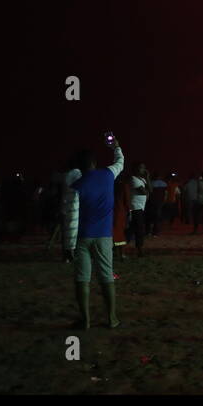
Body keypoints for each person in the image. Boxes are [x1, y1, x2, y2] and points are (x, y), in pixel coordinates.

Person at [68, 136, 126, 329]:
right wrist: (116, 146)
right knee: (107, 277)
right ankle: (112, 318)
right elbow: (120, 162)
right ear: (94, 162)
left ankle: (85, 320)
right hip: (104, 236)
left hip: (83, 237)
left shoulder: (76, 186)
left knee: (82, 279)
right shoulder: (108, 174)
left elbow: (72, 219)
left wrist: (69, 246)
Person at [127, 162, 149, 257]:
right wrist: (147, 193)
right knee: (139, 229)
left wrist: (147, 178)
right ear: (135, 169)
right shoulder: (133, 179)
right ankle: (140, 250)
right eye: (141, 168)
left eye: (144, 168)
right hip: (135, 207)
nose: (143, 170)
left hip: (140, 207)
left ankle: (118, 247)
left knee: (131, 229)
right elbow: (144, 192)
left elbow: (150, 190)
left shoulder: (143, 180)